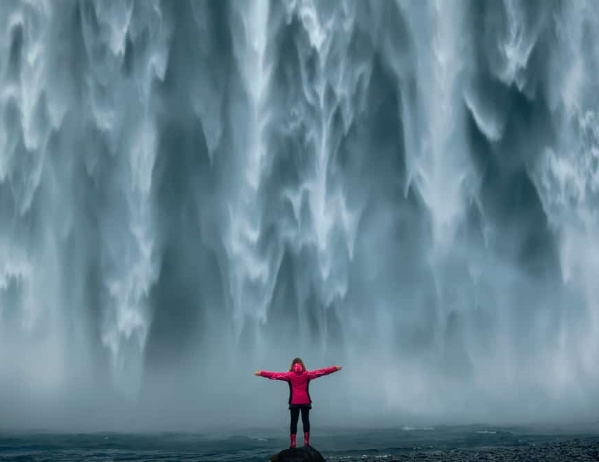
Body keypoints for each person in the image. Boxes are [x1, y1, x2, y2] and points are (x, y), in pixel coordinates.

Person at [254, 357, 342, 448]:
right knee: (306, 421)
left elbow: (275, 375)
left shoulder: (289, 376)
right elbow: (322, 372)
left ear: (292, 366)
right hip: (305, 401)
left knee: (293, 422)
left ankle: (293, 443)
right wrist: (335, 368)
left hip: (294, 402)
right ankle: (306, 442)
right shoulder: (307, 375)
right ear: (302, 366)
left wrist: (261, 373)